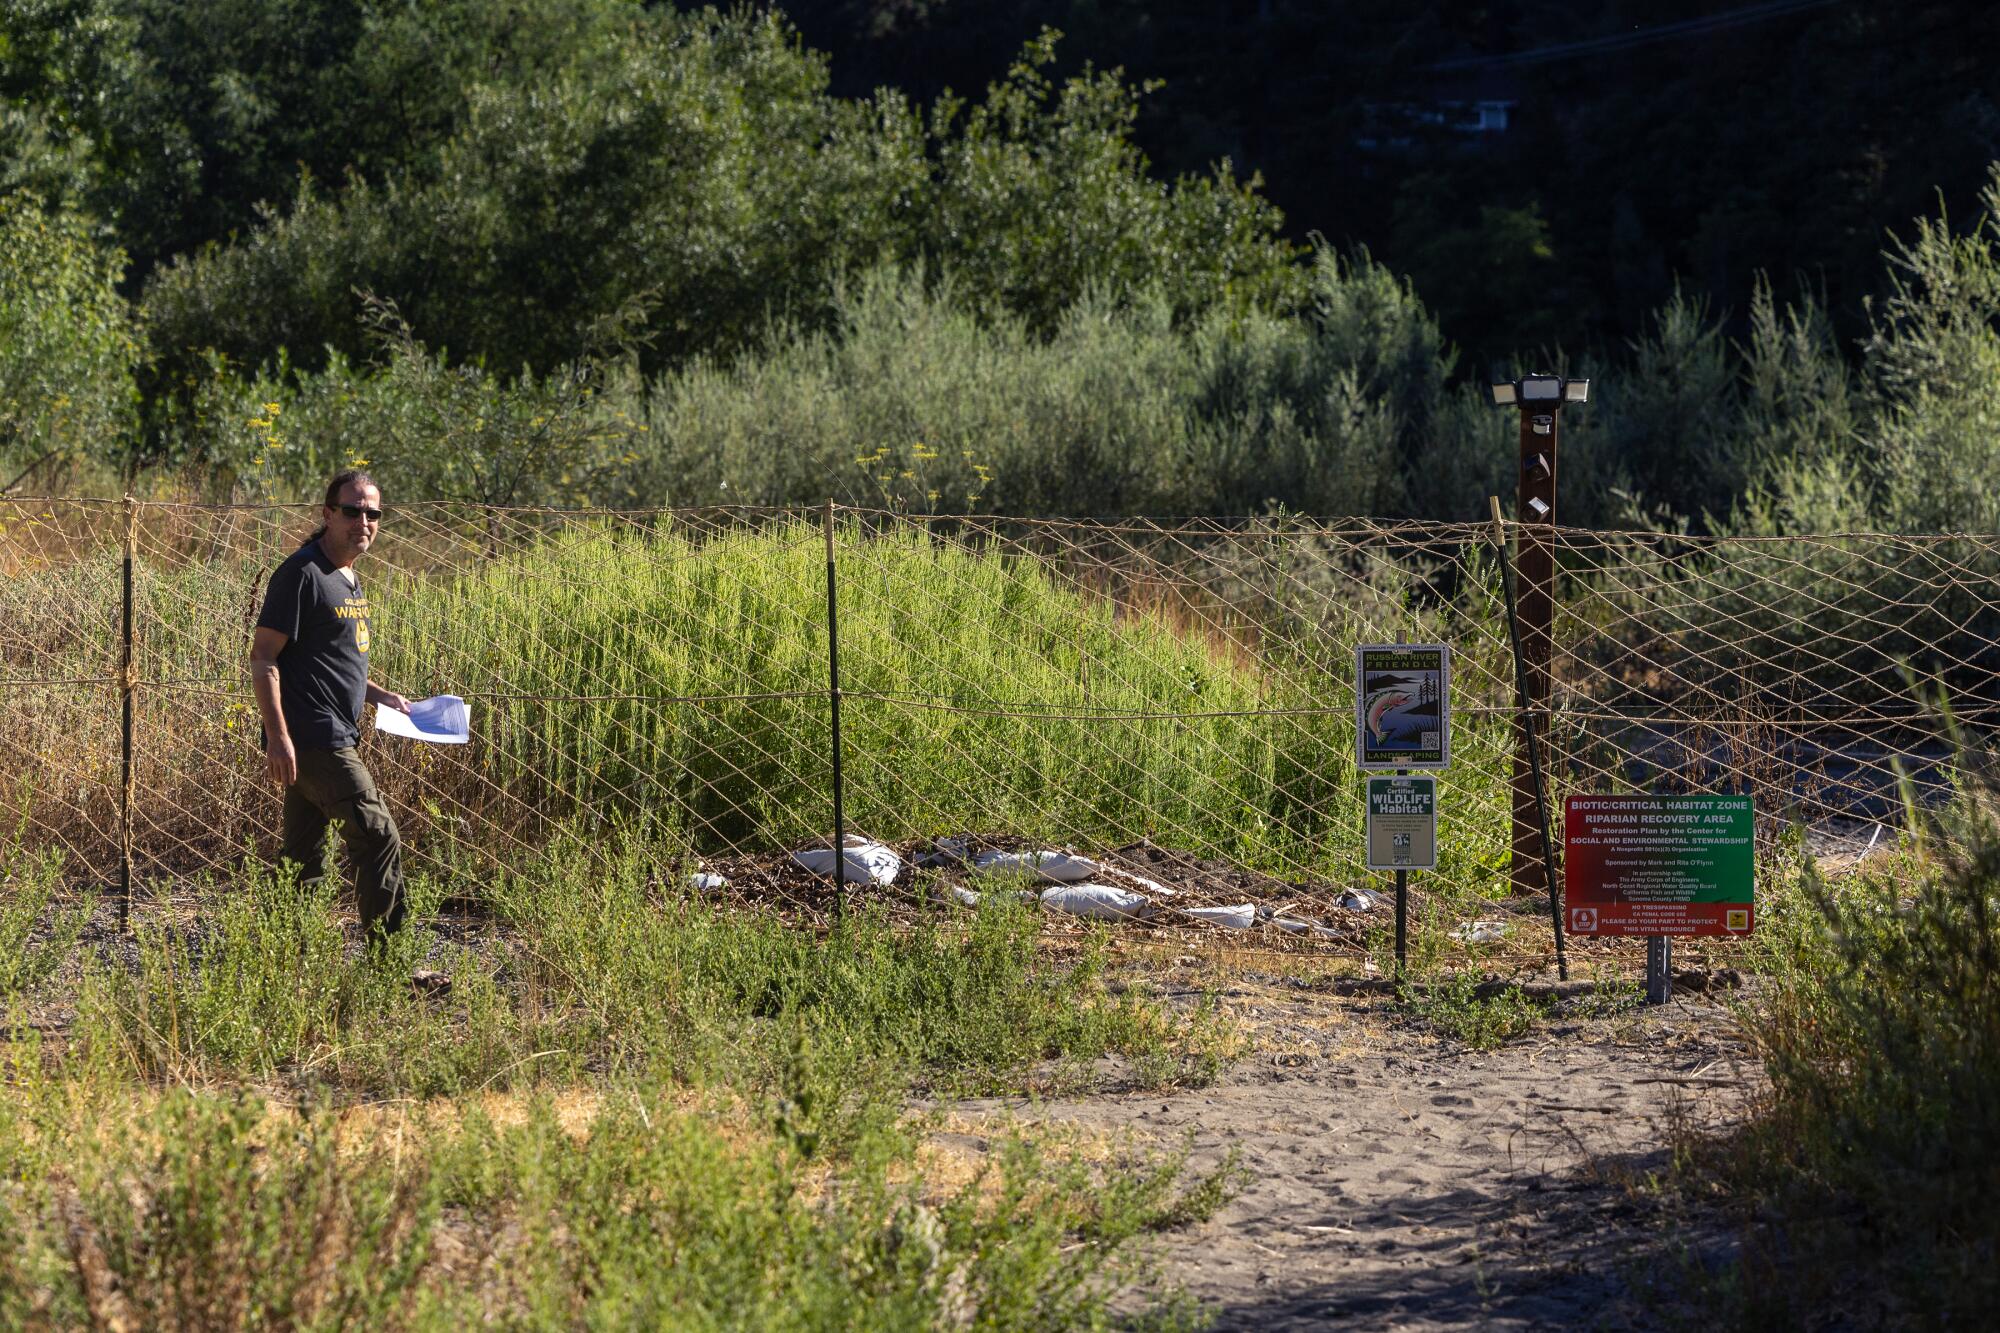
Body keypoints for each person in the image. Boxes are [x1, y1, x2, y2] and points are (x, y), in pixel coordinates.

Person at [249, 470, 413, 942]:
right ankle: (391, 960)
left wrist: (382, 696)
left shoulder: (348, 578)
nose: (363, 520)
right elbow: (263, 659)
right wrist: (279, 738)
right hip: (314, 738)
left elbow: (334, 661)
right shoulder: (302, 573)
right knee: (377, 834)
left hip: (327, 733)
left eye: (373, 512)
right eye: (352, 510)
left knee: (301, 860)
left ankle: (281, 960)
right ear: (327, 514)